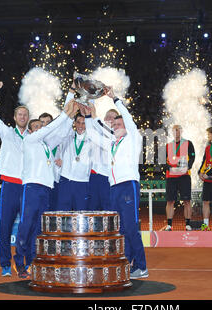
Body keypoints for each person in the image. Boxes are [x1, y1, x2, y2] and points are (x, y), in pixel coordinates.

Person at [82, 87, 148, 279]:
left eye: (120, 123)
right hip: (114, 188)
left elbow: (128, 118)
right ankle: (127, 264)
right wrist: (89, 117)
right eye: (115, 124)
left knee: (131, 227)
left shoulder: (132, 138)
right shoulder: (112, 142)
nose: (117, 125)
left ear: (126, 125)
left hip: (128, 185)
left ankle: (142, 266)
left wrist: (115, 100)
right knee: (121, 228)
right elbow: (94, 135)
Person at [14, 100, 77, 278]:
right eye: (37, 126)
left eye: (42, 125)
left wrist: (70, 115)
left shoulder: (46, 145)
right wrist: (65, 113)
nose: (41, 128)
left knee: (38, 228)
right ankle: (19, 263)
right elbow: (50, 129)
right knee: (26, 226)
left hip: (45, 189)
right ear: (31, 130)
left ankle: (33, 262)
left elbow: (63, 134)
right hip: (32, 187)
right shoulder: (29, 140)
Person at [0, 80, 29, 277]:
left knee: (25, 228)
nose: (22, 116)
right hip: (10, 185)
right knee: (5, 226)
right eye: (19, 114)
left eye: (25, 114)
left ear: (28, 118)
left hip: (28, 187)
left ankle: (22, 263)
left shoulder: (33, 137)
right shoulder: (6, 133)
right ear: (14, 117)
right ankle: (5, 263)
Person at [52, 111, 93, 211]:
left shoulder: (92, 140)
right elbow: (62, 126)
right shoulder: (68, 136)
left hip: (82, 182)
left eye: (83, 123)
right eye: (78, 122)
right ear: (74, 123)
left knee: (81, 214)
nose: (80, 125)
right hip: (66, 180)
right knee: (61, 213)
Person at [164, 125, 195, 231]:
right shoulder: (168, 145)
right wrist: (169, 169)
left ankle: (187, 224)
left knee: (187, 201)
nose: (176, 132)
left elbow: (192, 157)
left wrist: (187, 167)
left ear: (181, 131)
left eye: (178, 130)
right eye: (174, 130)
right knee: (170, 201)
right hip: (171, 177)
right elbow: (163, 161)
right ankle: (169, 225)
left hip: (184, 176)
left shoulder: (188, 143)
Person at [87, 108, 119, 211]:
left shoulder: (116, 136)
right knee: (92, 208)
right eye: (107, 116)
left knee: (108, 208)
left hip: (107, 177)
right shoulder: (95, 133)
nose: (109, 118)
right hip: (93, 176)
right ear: (104, 118)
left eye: (113, 117)